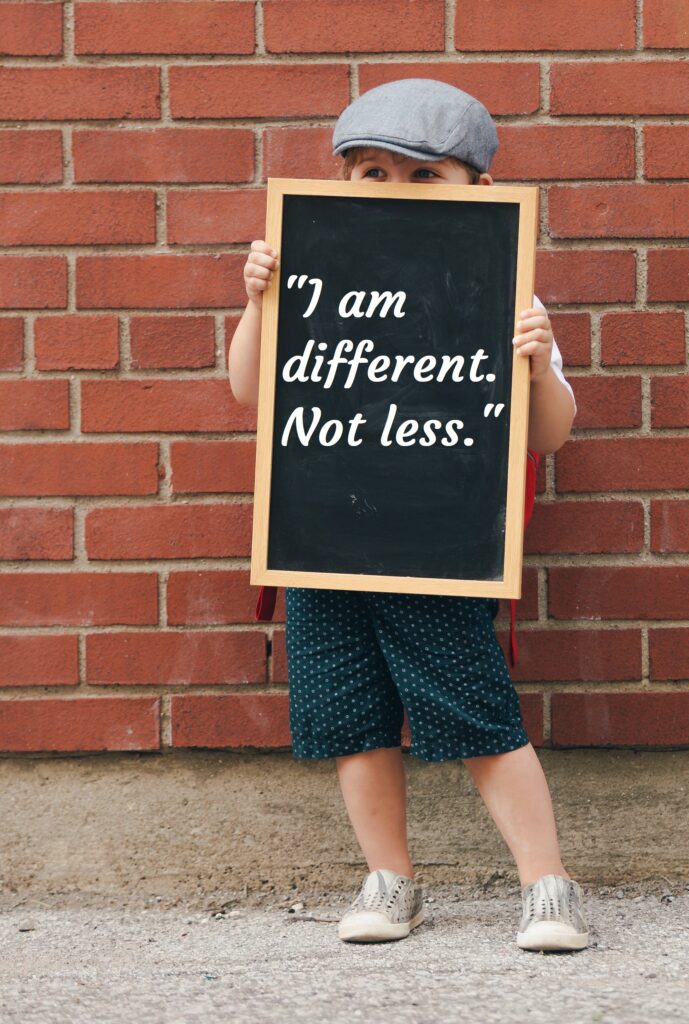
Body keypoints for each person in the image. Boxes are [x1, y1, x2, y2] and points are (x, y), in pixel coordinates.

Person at [227, 78, 589, 953]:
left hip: (437, 545)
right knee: (351, 717)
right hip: (324, 544)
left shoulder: (501, 293)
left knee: (477, 712)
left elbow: (550, 434)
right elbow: (249, 388)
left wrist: (538, 362)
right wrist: (255, 302)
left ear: (479, 194)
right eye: (370, 171)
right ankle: (391, 880)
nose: (392, 190)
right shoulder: (310, 273)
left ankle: (548, 884)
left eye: (424, 176)